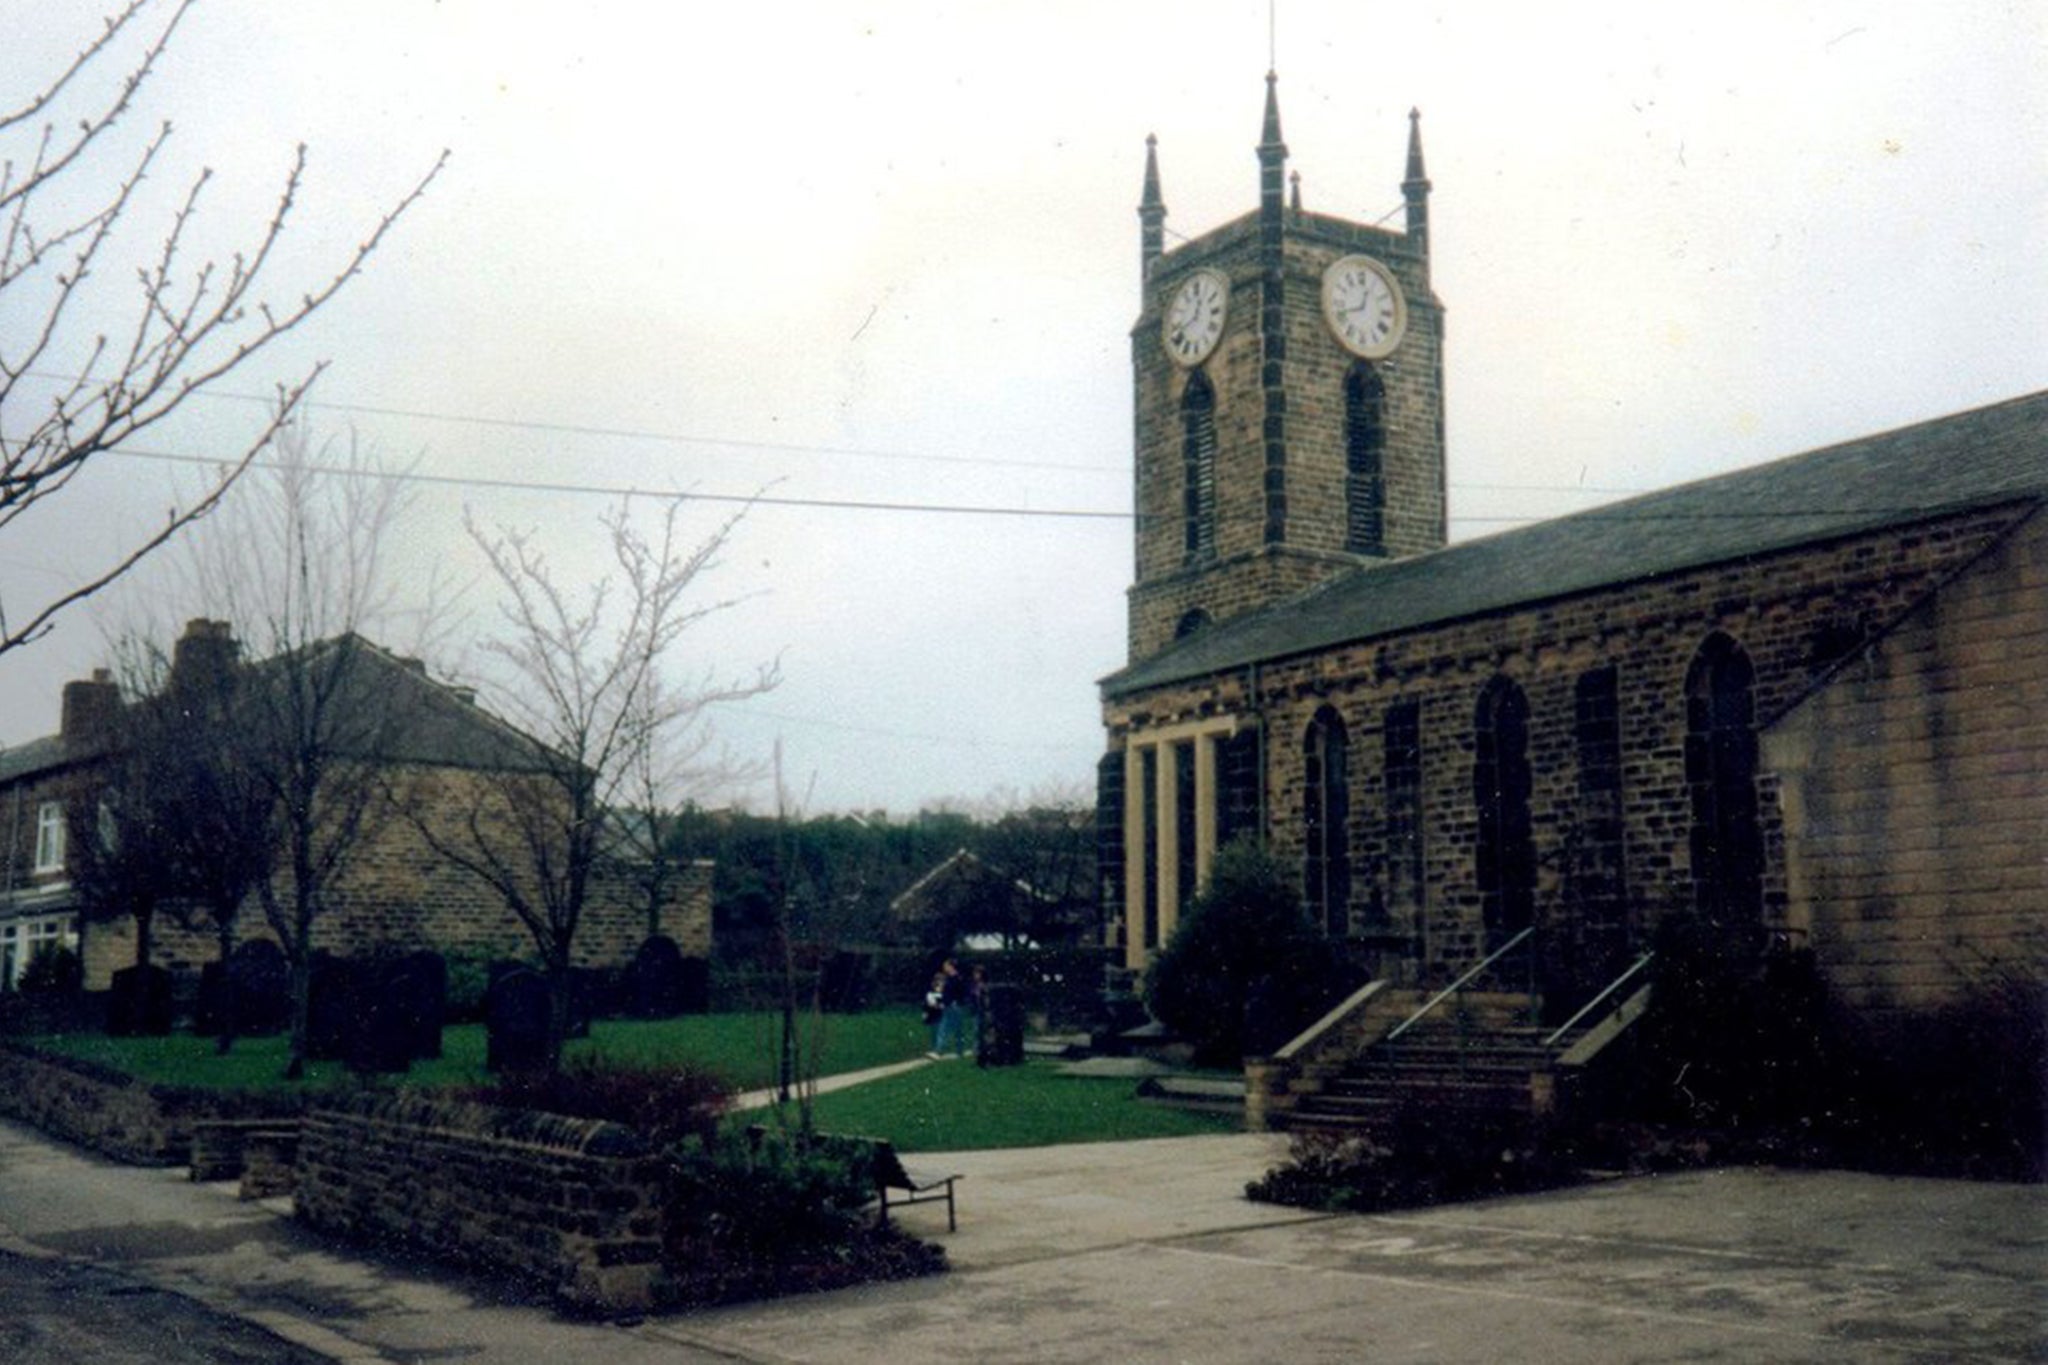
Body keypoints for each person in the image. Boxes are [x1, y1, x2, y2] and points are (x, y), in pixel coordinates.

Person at [933, 959, 971, 1058]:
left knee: (947, 1028)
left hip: (954, 1006)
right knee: (951, 1028)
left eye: (946, 966)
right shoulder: (950, 978)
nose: (944, 968)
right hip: (949, 1006)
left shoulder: (957, 979)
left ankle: (941, 1050)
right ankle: (956, 1050)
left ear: (951, 966)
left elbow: (962, 992)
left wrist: (957, 1001)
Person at [923, 970, 947, 1058]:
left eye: (941, 981)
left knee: (940, 1032)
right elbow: (928, 1004)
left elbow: (943, 1005)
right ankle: (934, 1049)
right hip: (933, 1015)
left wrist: (938, 1005)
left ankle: (938, 1050)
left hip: (942, 1015)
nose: (940, 984)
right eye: (938, 981)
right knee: (934, 1032)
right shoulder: (930, 993)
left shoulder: (944, 994)